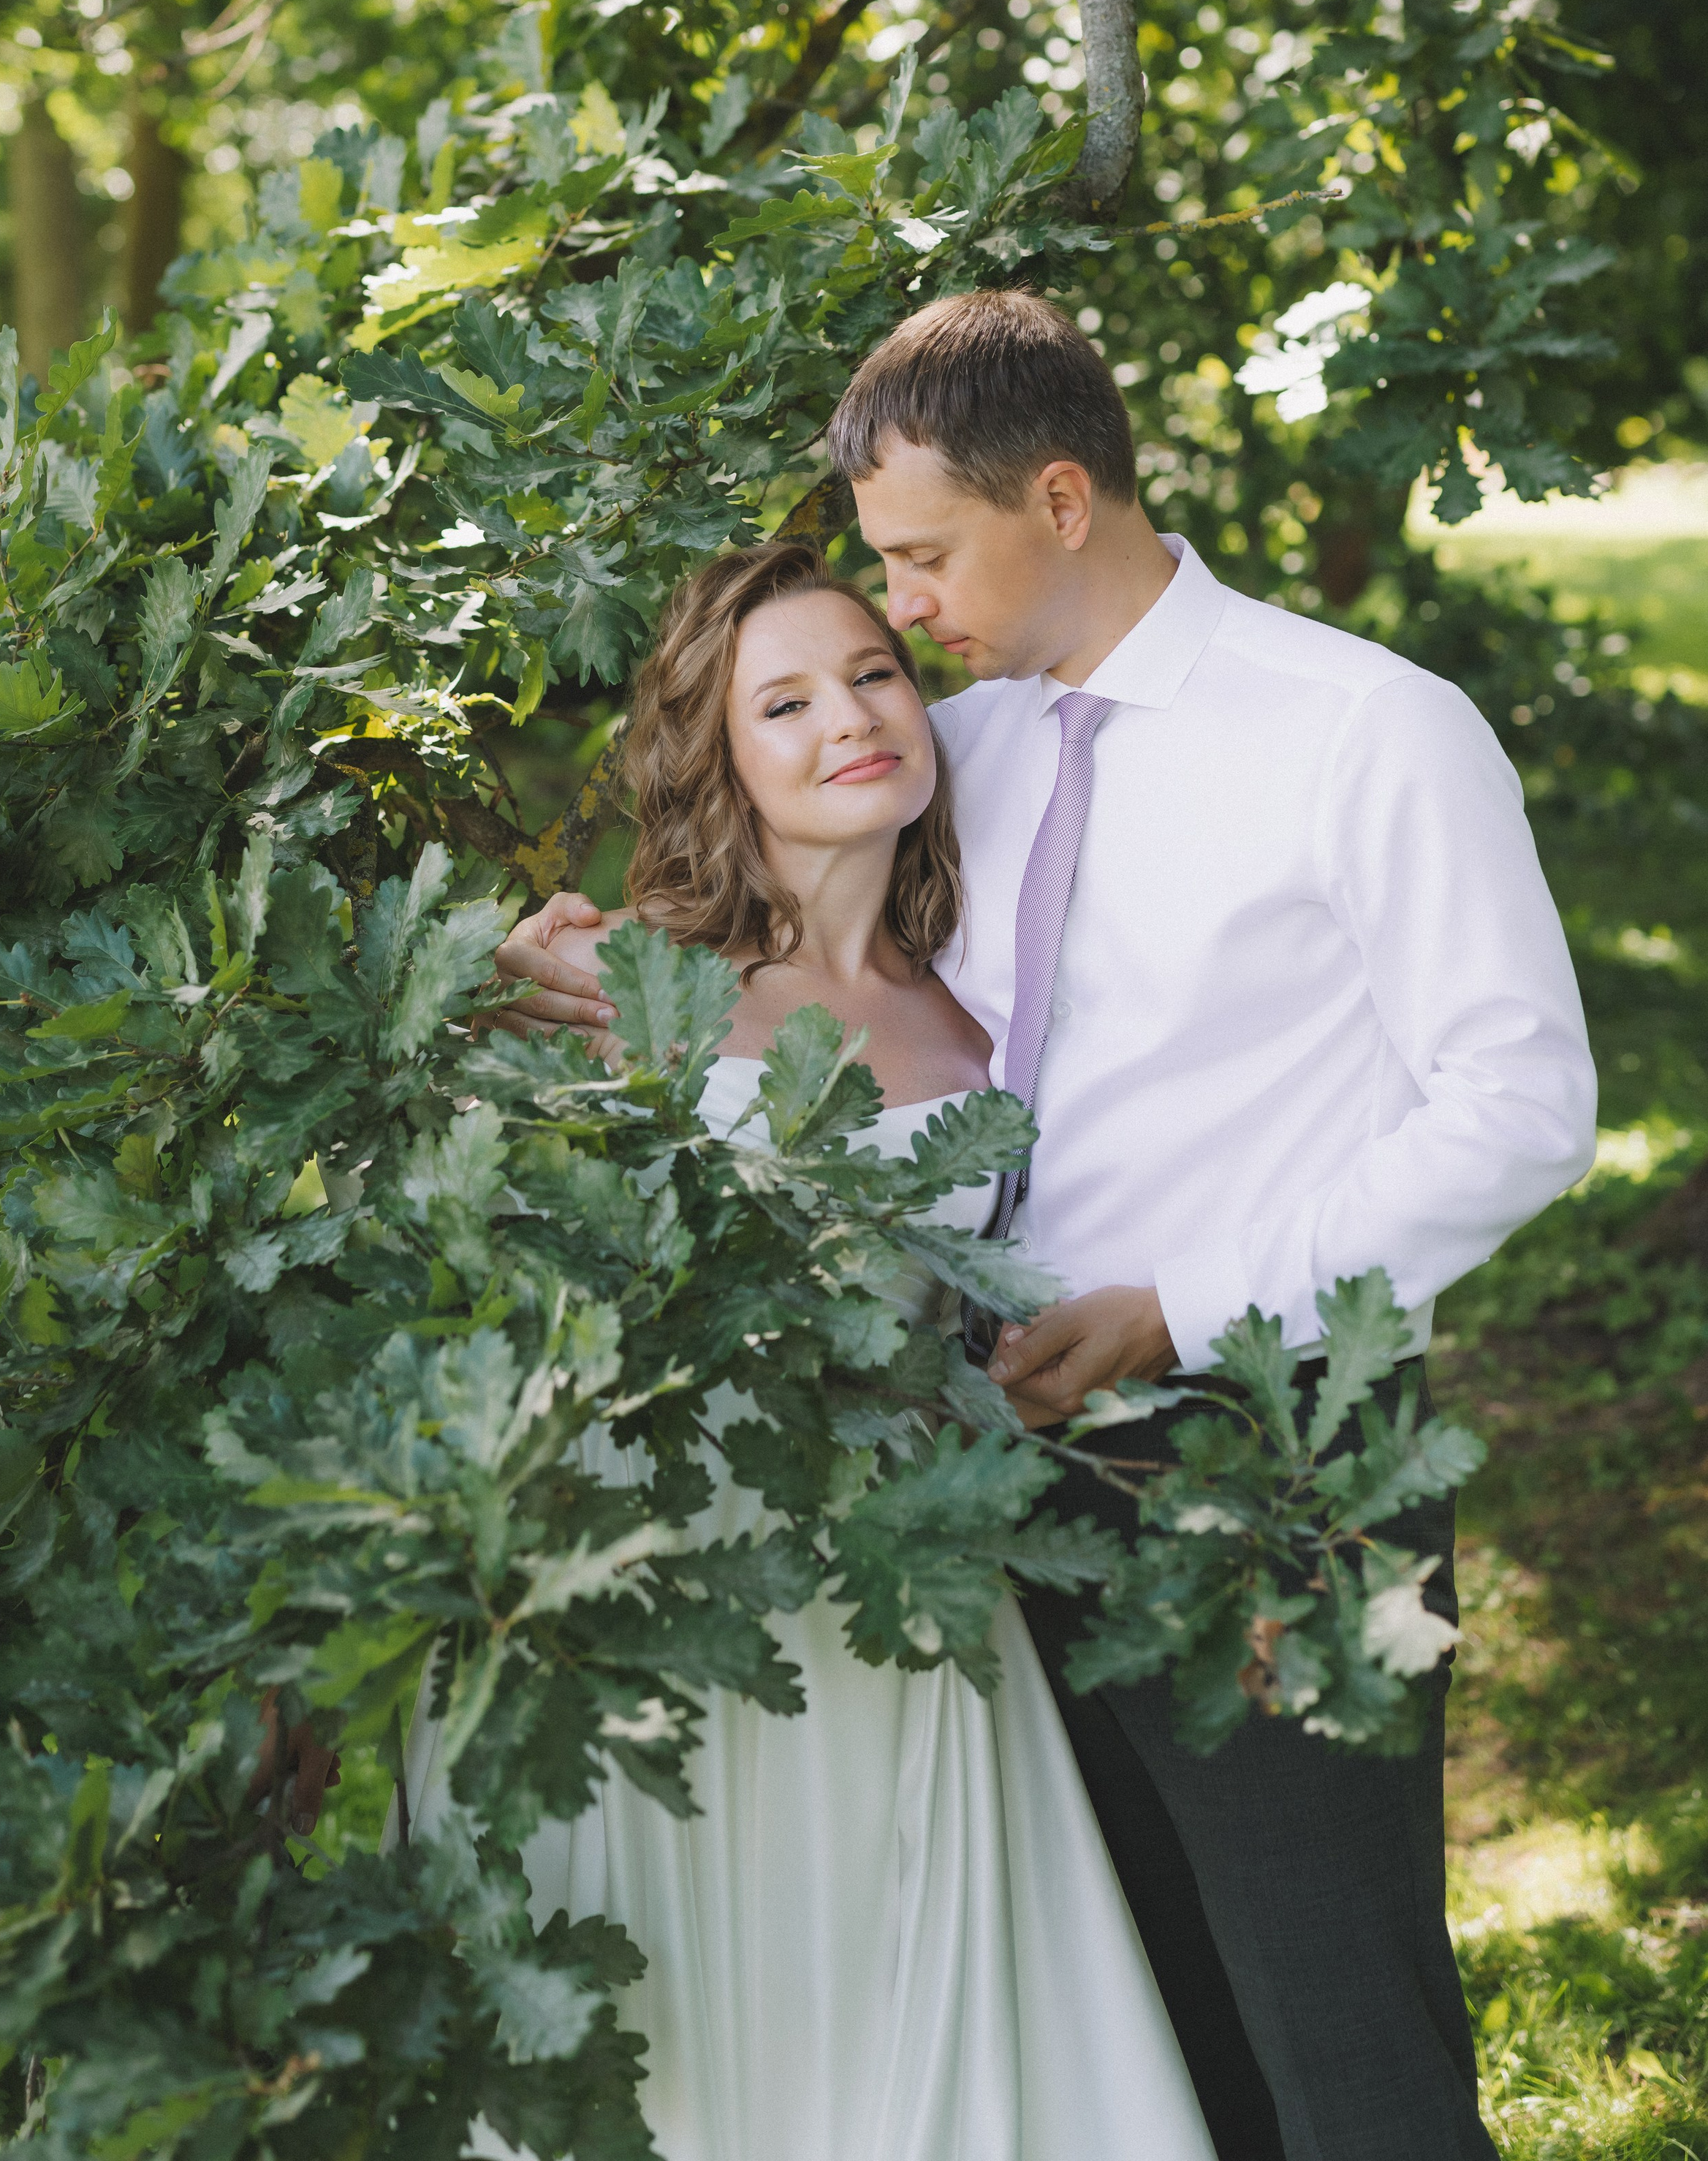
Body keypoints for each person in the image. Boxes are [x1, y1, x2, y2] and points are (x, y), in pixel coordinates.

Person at [497, 289, 1598, 2161]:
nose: (899, 609)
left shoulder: (1363, 732)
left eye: (923, 553)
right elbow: (792, 924)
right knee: (1152, 2018)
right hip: (1002, 1476)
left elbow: (1519, 1106)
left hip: (1268, 1452)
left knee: (1334, 2011)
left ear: (1062, 496)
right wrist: (572, 957)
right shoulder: (973, 746)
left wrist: (1187, 1304)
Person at [430, 537, 1217, 2161]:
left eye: (869, 672)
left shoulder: (984, 1010)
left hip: (898, 1583)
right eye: (779, 701)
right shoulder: (616, 987)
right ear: (717, 758)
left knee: (896, 2009)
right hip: (649, 1577)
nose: (846, 716)